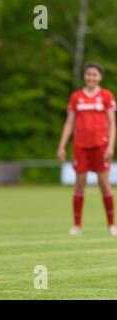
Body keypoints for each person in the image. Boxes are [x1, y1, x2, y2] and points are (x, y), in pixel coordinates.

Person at [57, 62, 117, 236]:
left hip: (100, 146)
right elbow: (69, 123)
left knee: (104, 184)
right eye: (88, 74)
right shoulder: (76, 97)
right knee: (79, 185)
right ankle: (77, 225)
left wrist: (111, 146)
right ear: (85, 76)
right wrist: (62, 146)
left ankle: (111, 225)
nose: (91, 77)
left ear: (100, 77)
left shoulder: (106, 96)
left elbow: (112, 123)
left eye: (95, 75)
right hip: (80, 146)